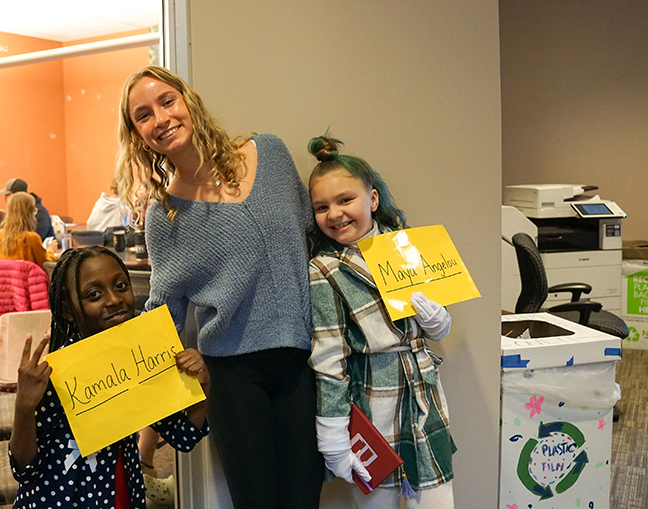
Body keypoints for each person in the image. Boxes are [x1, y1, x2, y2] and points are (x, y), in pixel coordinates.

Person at [117, 65, 324, 509]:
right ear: (138, 135)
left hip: (304, 361)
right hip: (231, 375)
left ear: (188, 101)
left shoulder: (269, 153)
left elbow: (316, 236)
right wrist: (101, 364)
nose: (160, 118)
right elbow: (162, 312)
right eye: (143, 115)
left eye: (166, 101)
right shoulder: (165, 215)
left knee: (305, 499)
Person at [306, 135, 456, 509]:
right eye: (322, 207)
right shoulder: (324, 271)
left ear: (371, 199)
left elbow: (436, 327)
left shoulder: (405, 247)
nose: (335, 214)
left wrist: (437, 321)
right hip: (372, 406)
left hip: (423, 397)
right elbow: (328, 361)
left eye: (345, 200)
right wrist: (334, 439)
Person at [10, 245, 210, 508]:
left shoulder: (140, 356)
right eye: (94, 294)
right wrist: (24, 407)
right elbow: (25, 470)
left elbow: (184, 437)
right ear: (69, 310)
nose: (114, 300)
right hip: (62, 498)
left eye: (120, 286)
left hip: (120, 490)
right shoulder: (56, 373)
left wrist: (202, 384)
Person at [0, 192, 57, 269]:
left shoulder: (0, 235)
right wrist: (51, 251)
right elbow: (45, 264)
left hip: (4, 280)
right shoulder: (32, 237)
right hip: (28, 280)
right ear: (29, 213)